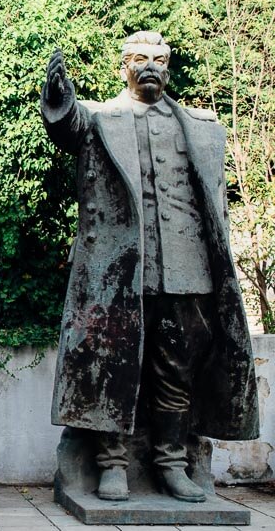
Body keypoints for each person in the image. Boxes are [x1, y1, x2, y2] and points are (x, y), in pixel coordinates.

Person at [41, 32, 258, 502]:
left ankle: (172, 464)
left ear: (169, 65)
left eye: (159, 59)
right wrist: (59, 97)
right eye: (140, 59)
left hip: (186, 271)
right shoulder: (101, 117)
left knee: (176, 372)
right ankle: (113, 466)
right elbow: (68, 125)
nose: (150, 67)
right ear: (125, 66)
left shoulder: (201, 126)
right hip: (121, 273)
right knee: (117, 369)